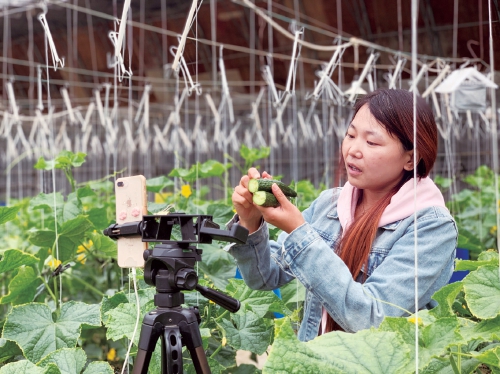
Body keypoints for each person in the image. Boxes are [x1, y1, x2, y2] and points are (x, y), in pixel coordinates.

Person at [224, 88, 458, 342]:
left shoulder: (432, 228)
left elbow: (372, 318)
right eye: (351, 135)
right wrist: (250, 222)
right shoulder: (331, 203)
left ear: (410, 159)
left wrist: (299, 233)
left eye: (371, 142)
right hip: (316, 362)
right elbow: (264, 276)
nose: (353, 150)